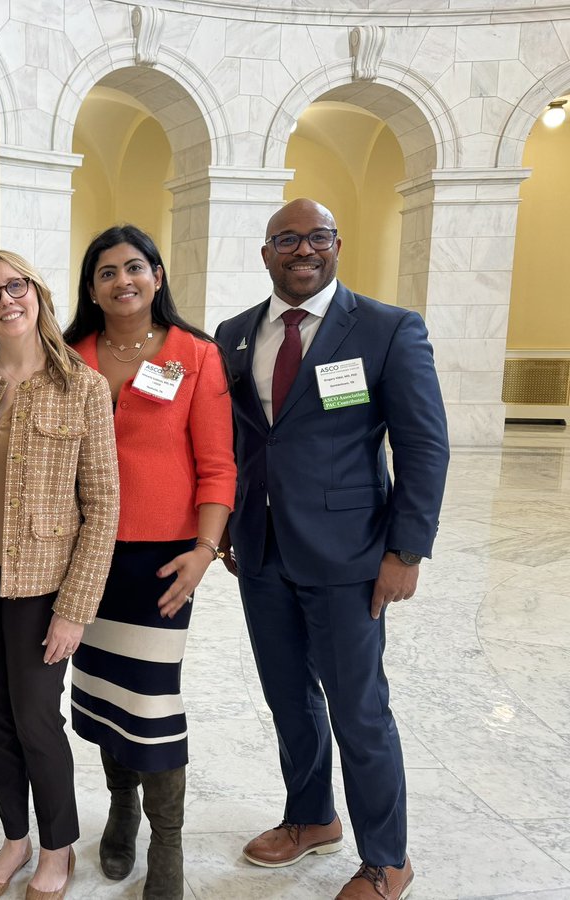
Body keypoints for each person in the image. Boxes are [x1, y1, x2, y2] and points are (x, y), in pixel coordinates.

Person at [214, 198, 450, 900]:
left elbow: (424, 445)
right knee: (289, 699)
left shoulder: (386, 329)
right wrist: (222, 522)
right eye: (287, 239)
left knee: (359, 709)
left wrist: (405, 551)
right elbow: (234, 441)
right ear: (266, 254)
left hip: (350, 557)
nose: (303, 249)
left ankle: (388, 859)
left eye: (316, 236)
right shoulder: (232, 335)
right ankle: (311, 816)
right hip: (259, 553)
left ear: (337, 244)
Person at [64, 225, 236, 900]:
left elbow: (218, 463)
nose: (122, 281)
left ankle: (167, 841)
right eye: (106, 272)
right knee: (106, 696)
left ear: (158, 277)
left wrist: (204, 549)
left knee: (153, 702)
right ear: (92, 288)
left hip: (164, 560)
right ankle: (120, 808)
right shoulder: (72, 355)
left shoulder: (194, 355)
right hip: (87, 558)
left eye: (135, 268)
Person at [0, 250, 119, 900]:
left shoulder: (81, 385)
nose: (5, 300)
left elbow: (103, 506)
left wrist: (74, 609)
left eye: (14, 286)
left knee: (36, 716)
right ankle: (15, 838)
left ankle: (58, 847)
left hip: (42, 585)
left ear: (38, 294)